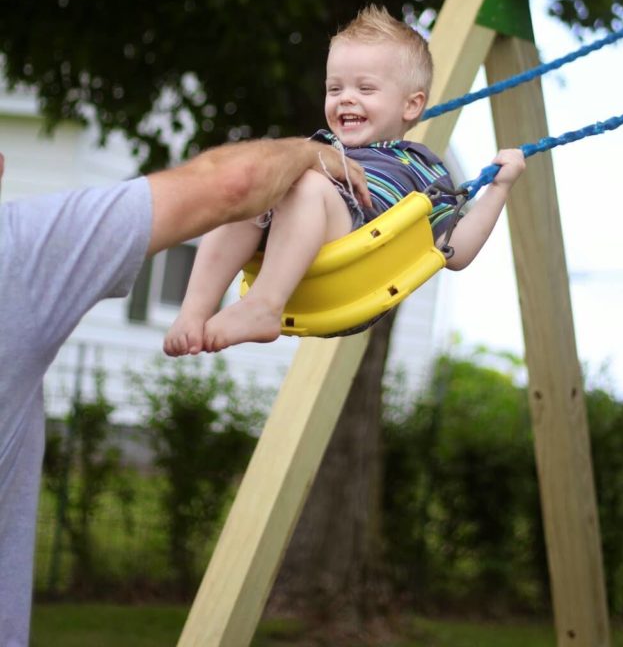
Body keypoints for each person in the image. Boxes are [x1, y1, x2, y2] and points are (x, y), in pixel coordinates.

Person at [0, 139, 369, 647]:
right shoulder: (18, 250)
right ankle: (249, 304)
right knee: (273, 196)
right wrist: (309, 152)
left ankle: (207, 308)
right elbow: (232, 185)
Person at [164, 6, 525, 355]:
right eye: (335, 89)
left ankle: (263, 306)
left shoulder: (420, 165)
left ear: (411, 106)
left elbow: (455, 251)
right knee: (255, 189)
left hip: (355, 262)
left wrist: (499, 188)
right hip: (298, 263)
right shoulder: (320, 147)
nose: (346, 99)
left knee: (306, 184)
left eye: (365, 89)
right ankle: (195, 311)